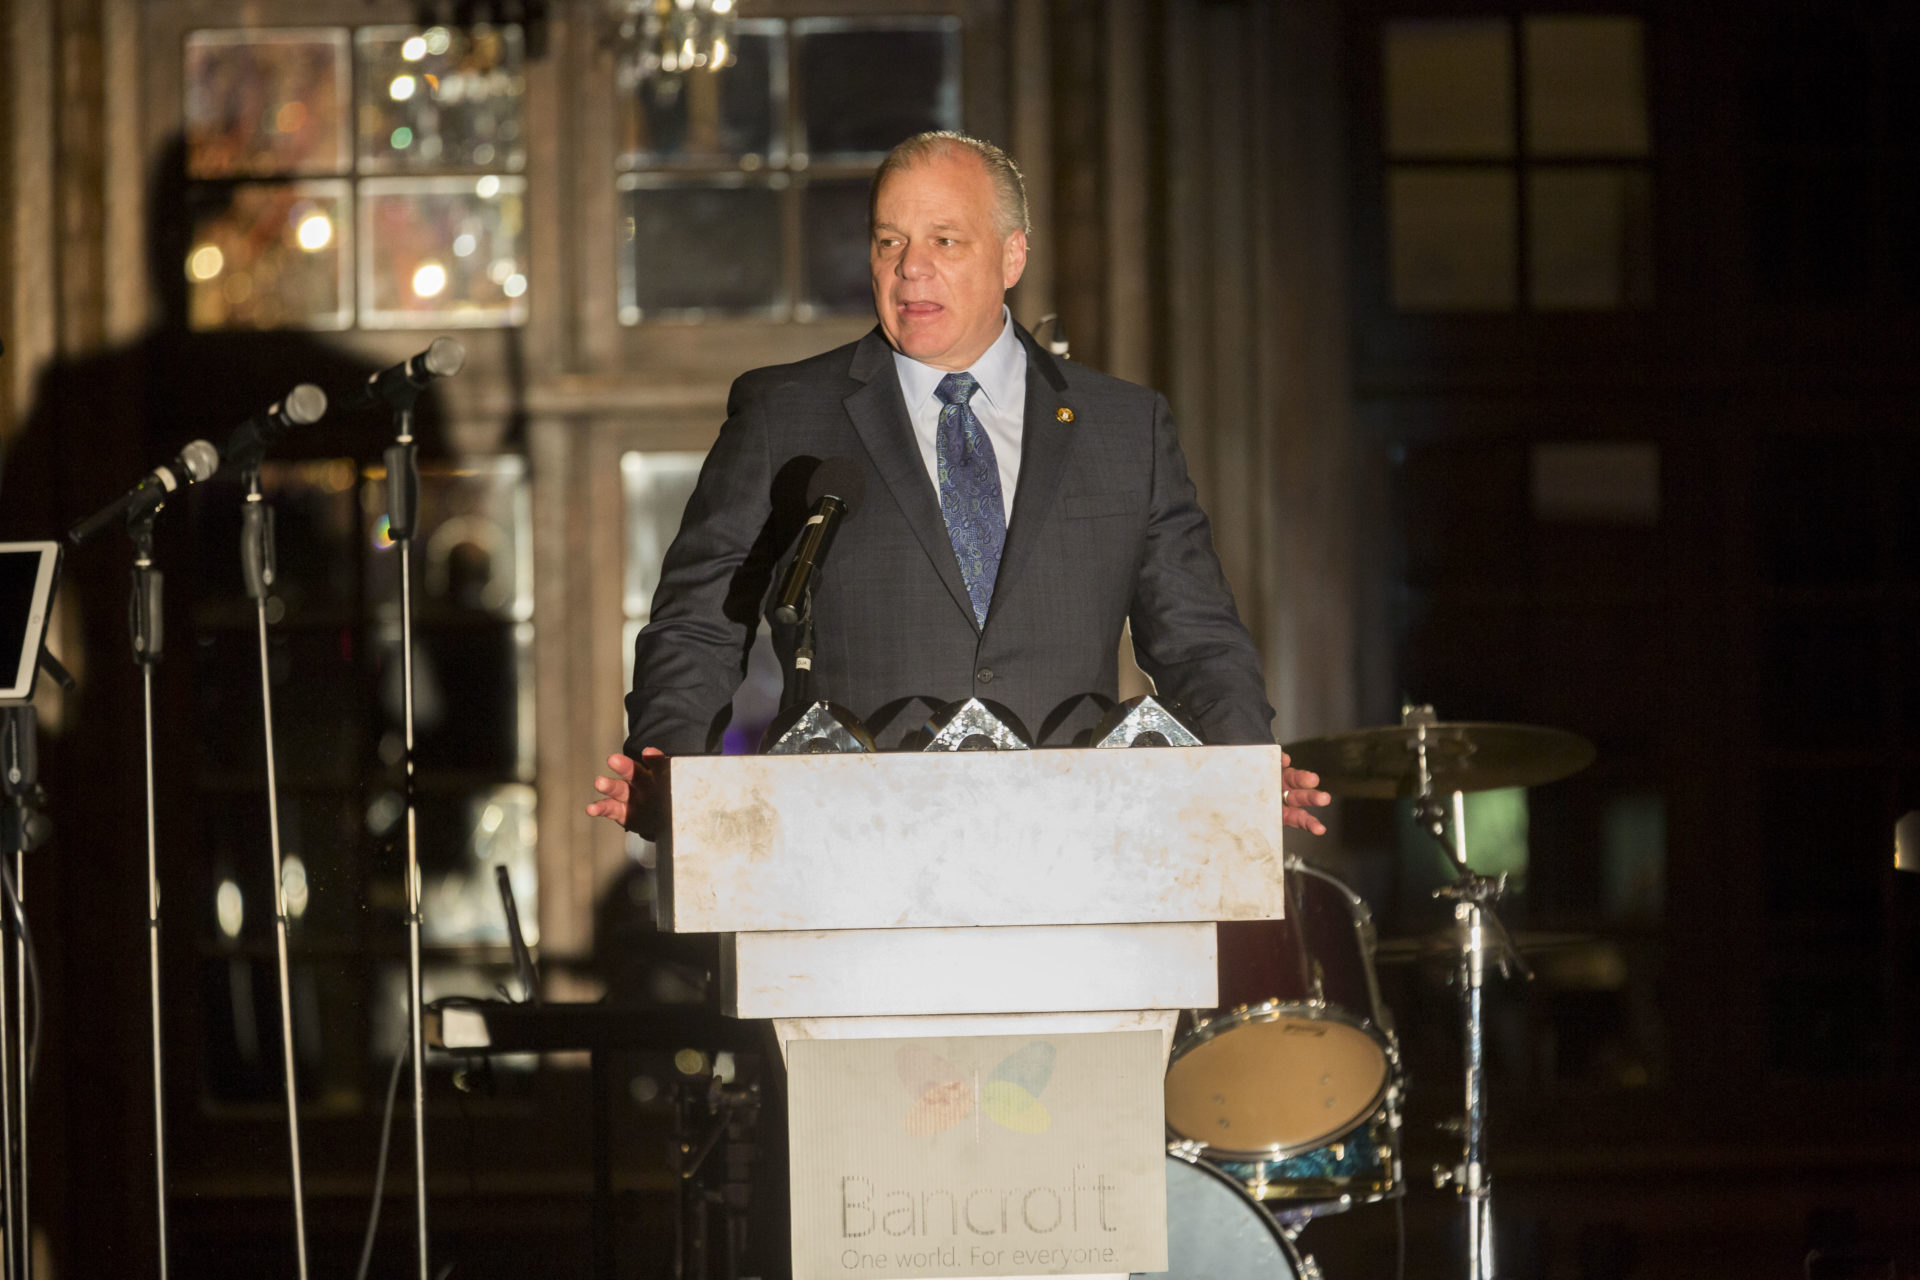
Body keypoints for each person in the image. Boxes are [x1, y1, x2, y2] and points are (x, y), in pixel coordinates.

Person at [589, 130, 1329, 836]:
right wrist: (669, 763)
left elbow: (1197, 641)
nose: (911, 267)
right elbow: (699, 618)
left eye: (944, 241)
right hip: (847, 849)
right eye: (890, 242)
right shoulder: (787, 416)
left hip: (1076, 846)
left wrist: (1244, 769)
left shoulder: (1124, 428)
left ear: (1013, 256)